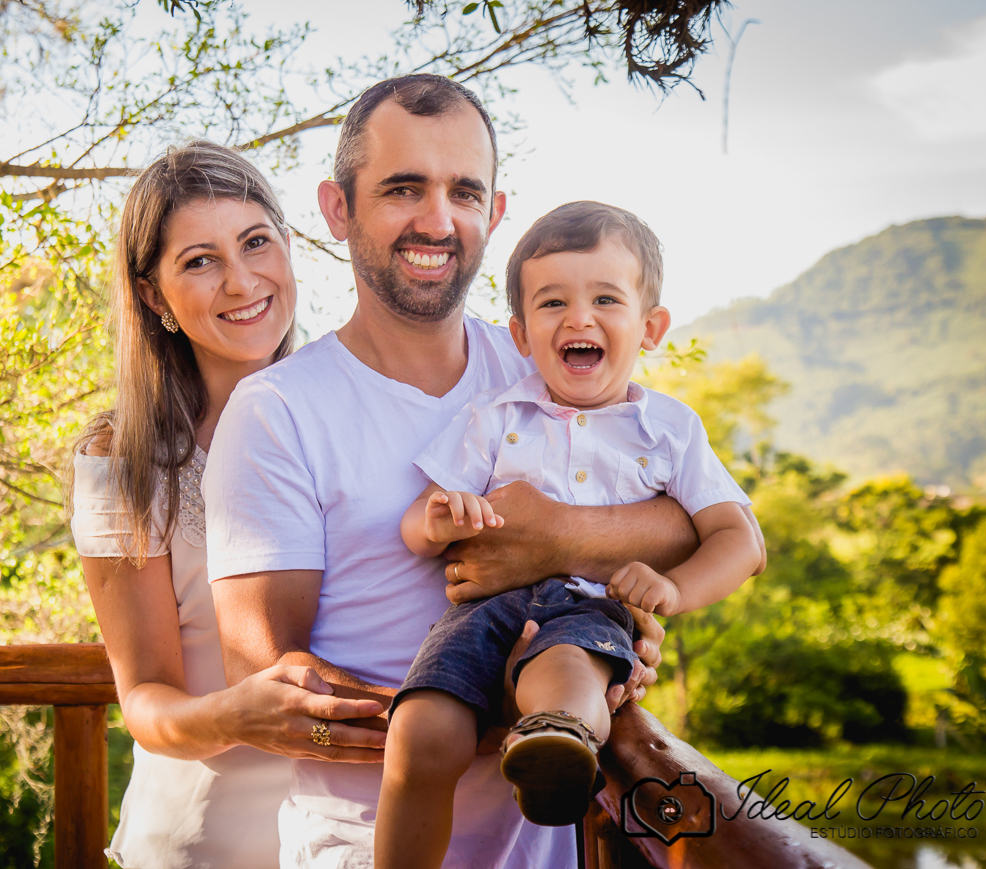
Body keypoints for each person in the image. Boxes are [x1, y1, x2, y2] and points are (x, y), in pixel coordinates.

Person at [207, 74, 764, 868]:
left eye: (464, 192)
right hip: (355, 846)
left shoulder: (544, 363)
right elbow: (269, 679)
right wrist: (463, 708)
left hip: (543, 850)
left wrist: (567, 565)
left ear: (494, 213)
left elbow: (702, 523)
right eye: (403, 188)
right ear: (337, 208)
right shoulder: (278, 410)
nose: (438, 221)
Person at [376, 201, 764, 867]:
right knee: (419, 733)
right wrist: (438, 520)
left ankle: (557, 750)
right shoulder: (496, 416)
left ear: (651, 327)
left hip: (592, 608)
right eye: (553, 302)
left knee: (565, 674)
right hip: (480, 611)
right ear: (522, 334)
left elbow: (739, 538)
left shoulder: (670, 430)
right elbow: (417, 521)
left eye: (605, 299)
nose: (578, 318)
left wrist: (674, 588)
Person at [69, 141, 386, 869]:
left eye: (255, 242)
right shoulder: (120, 460)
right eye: (200, 261)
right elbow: (145, 698)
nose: (241, 281)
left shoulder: (359, 408)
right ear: (155, 297)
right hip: (200, 845)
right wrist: (237, 715)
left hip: (357, 840)